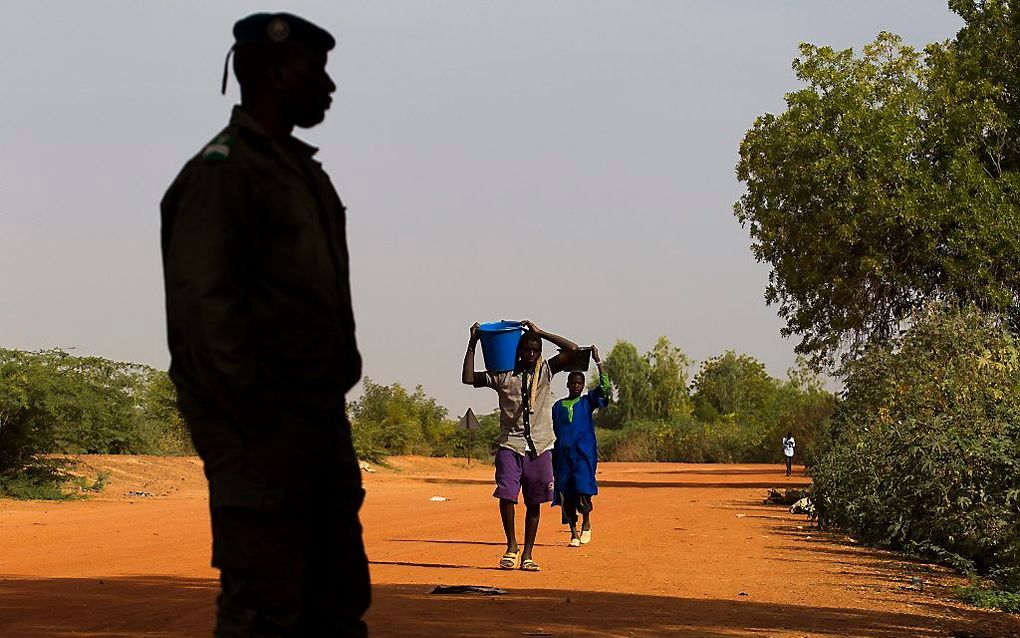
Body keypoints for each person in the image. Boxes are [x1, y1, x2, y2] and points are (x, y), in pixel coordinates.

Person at [160, 13, 369, 637]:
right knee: (266, 609)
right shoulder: (221, 175)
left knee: (335, 602)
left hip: (314, 424)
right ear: (277, 73)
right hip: (261, 433)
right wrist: (256, 421)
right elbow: (204, 315)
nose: (329, 86)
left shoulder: (302, 173)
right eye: (316, 70)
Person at [462, 321, 578, 571]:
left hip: (541, 446)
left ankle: (528, 554)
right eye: (526, 350)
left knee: (534, 502)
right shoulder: (503, 376)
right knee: (506, 495)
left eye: (535, 351)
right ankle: (511, 546)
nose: (531, 355)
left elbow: (572, 349)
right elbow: (468, 378)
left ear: (540, 353)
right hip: (510, 445)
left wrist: (541, 333)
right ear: (518, 351)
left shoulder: (547, 371)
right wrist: (473, 343)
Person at [551, 346, 610, 547]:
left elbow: (605, 388)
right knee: (566, 493)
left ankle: (586, 523)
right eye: (573, 382)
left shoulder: (587, 402)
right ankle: (573, 533)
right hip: (563, 455)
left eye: (579, 383)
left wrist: (598, 361)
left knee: (583, 490)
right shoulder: (558, 406)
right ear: (568, 384)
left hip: (583, 454)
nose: (576, 386)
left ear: (583, 385)